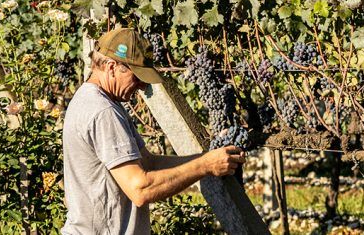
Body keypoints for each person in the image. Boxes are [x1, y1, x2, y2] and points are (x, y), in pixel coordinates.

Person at [62, 27, 246, 234]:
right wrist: (205, 166)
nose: (141, 85)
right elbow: (140, 189)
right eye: (136, 76)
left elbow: (149, 163)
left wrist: (207, 158)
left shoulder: (93, 100)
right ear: (112, 67)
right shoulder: (102, 111)